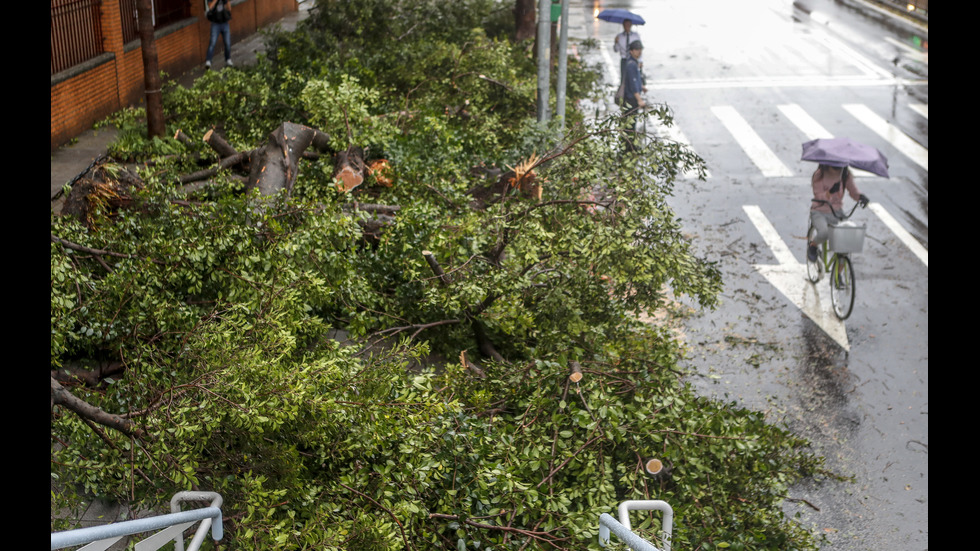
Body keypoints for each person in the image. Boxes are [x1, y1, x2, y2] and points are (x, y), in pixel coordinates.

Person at [807, 164, 869, 261]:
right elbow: (817, 196)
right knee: (824, 233)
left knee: (846, 236)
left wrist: (861, 197)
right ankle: (813, 245)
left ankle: (838, 274)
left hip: (837, 212)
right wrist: (829, 192)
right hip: (819, 212)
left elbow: (853, 191)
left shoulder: (845, 174)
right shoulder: (819, 174)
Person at [620, 40, 647, 151]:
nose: (639, 52)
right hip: (631, 99)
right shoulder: (631, 65)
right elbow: (632, 85)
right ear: (631, 51)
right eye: (637, 49)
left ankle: (629, 146)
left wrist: (642, 87)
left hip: (630, 98)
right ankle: (628, 148)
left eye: (640, 49)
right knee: (630, 125)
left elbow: (636, 82)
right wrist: (639, 100)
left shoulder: (634, 63)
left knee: (630, 123)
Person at [205, 0, 233, 69]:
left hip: (224, 23)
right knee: (212, 42)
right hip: (215, 24)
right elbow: (210, 7)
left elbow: (229, 9)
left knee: (227, 43)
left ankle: (228, 59)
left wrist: (227, 1)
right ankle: (208, 60)